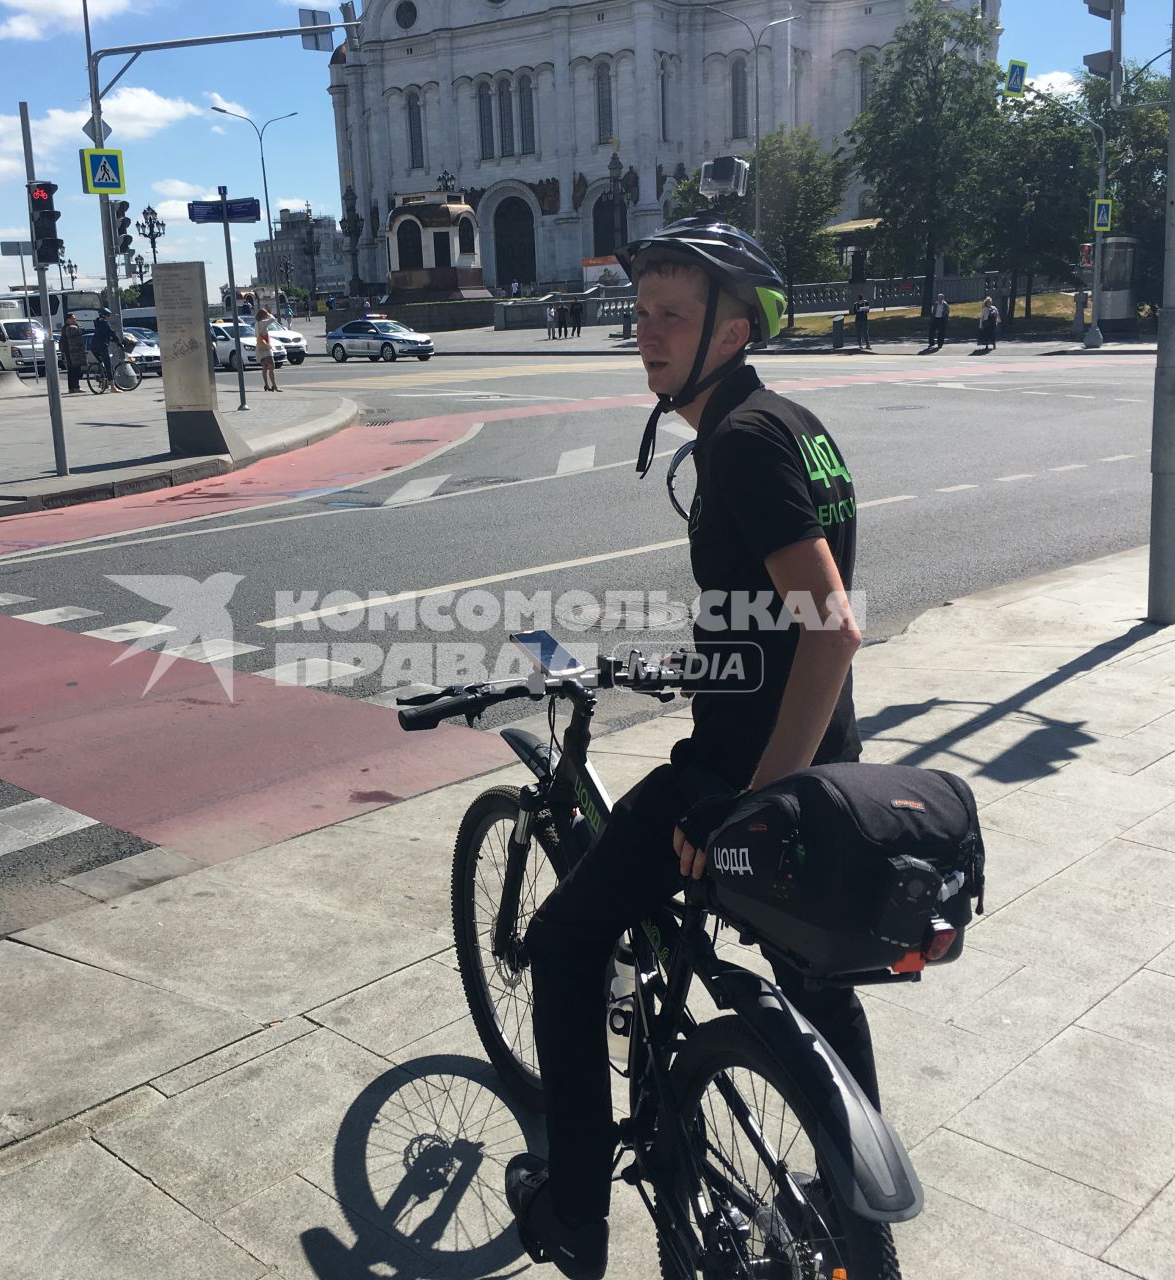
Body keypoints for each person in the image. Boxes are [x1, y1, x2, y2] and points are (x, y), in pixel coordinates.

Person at [504, 218, 866, 1280]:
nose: (645, 334)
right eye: (642, 312)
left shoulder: (740, 443)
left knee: (567, 941)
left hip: (743, 776)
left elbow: (832, 623)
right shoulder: (795, 421)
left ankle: (573, 1211)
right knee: (815, 980)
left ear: (736, 327)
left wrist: (751, 801)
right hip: (830, 758)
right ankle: (846, 1197)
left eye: (672, 314)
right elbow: (772, 616)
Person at [89, 307, 121, 390]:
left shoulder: (97, 322)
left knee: (101, 363)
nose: (109, 317)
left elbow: (102, 333)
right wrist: (119, 343)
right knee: (108, 366)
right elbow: (111, 333)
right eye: (108, 316)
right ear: (105, 316)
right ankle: (113, 388)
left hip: (93, 346)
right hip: (102, 346)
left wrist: (109, 338)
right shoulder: (105, 323)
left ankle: (102, 380)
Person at [255, 307, 280, 392]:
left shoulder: (256, 323)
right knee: (271, 366)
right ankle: (274, 386)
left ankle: (266, 385)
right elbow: (273, 319)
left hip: (259, 347)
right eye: (265, 315)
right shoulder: (263, 322)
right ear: (263, 315)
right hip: (266, 348)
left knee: (265, 367)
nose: (266, 316)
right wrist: (269, 314)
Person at [60, 314, 86, 393]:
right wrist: (78, 325)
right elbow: (81, 329)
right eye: (73, 319)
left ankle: (71, 388)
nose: (75, 320)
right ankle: (75, 387)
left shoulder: (65, 328)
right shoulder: (69, 328)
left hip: (70, 352)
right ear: (68, 320)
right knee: (75, 370)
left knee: (71, 370)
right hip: (72, 352)